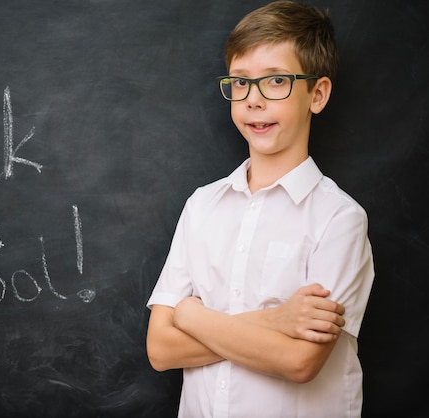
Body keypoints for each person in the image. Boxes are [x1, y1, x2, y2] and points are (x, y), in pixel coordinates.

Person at [145, 1, 375, 417]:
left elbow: (299, 361)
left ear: (317, 94)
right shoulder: (202, 207)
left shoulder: (340, 220)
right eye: (240, 83)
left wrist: (189, 315)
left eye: (276, 82)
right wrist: (276, 321)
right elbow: (160, 349)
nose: (253, 100)